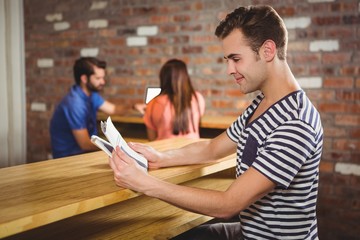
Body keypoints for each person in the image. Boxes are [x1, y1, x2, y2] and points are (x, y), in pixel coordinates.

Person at [109, 5, 323, 240]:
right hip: (249, 232)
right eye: (227, 60)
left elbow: (228, 205)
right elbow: (212, 148)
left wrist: (146, 184)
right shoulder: (262, 104)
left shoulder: (295, 122)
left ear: (268, 50)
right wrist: (162, 158)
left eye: (236, 59)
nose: (229, 70)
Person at [50, 57, 127, 159]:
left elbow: (113, 109)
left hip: (84, 153)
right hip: (69, 158)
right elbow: (85, 144)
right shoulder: (75, 103)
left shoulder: (92, 95)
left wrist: (134, 106)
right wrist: (117, 149)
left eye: (103, 78)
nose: (103, 82)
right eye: (98, 78)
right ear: (84, 79)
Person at [143, 59, 205, 141]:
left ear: (163, 78)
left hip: (164, 152)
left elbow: (152, 139)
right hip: (192, 151)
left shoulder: (153, 103)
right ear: (185, 77)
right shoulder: (198, 98)